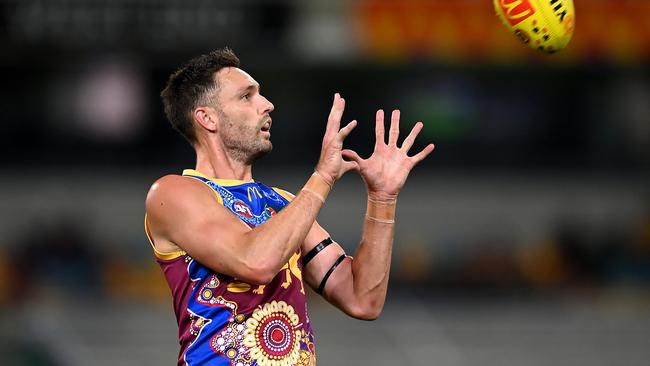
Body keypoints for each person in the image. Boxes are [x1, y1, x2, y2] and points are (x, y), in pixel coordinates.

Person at [145, 48, 434, 366]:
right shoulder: (173, 193)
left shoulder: (284, 205)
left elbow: (363, 299)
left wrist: (382, 200)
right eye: (246, 96)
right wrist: (322, 176)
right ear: (207, 118)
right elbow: (256, 262)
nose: (267, 104)